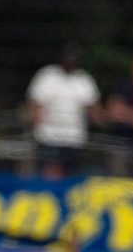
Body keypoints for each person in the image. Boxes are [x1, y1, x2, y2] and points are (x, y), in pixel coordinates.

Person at [26, 44, 102, 179]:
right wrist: (37, 124)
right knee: (51, 172)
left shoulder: (84, 79)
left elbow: (93, 107)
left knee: (71, 173)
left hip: (74, 137)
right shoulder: (47, 75)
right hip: (49, 135)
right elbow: (35, 102)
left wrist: (100, 121)